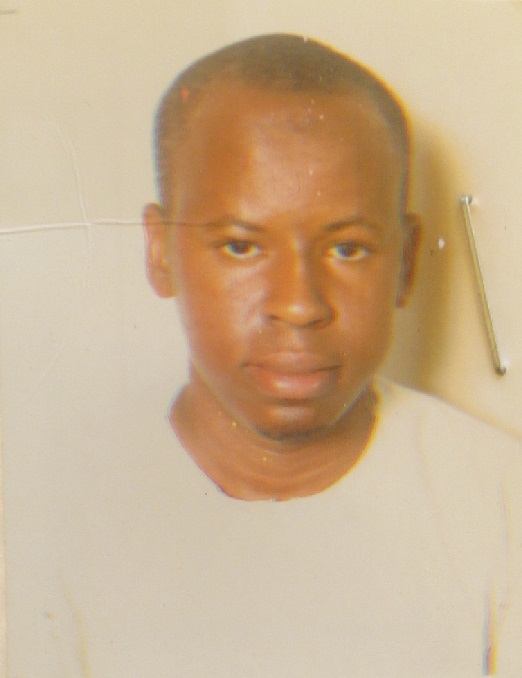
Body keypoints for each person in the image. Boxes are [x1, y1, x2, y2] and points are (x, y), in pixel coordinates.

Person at [6, 33, 521, 678]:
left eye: (348, 249)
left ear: (407, 261)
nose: (299, 305)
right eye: (242, 247)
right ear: (161, 252)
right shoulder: (44, 524)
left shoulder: (500, 507)